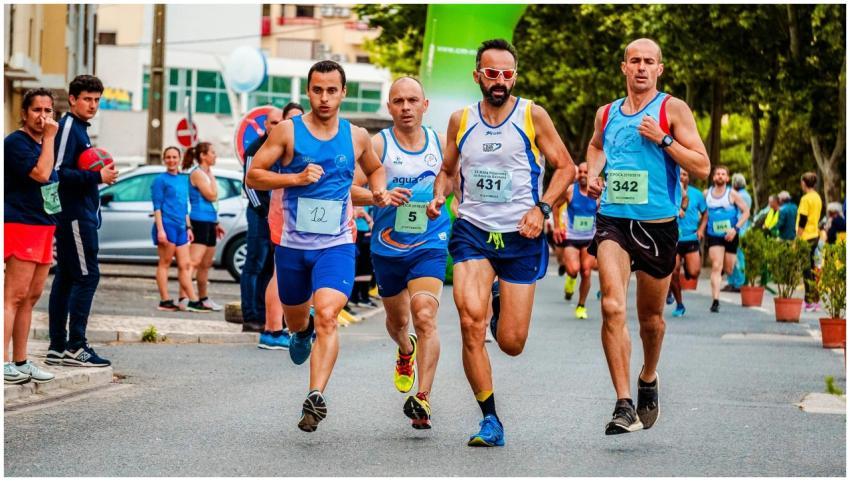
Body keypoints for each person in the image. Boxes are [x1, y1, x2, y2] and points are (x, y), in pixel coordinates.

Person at [427, 39, 575, 447]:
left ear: (515, 77)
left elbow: (565, 168)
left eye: (506, 74)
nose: (499, 81)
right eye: (491, 73)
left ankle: (497, 300)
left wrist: (542, 209)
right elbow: (447, 169)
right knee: (469, 323)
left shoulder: (532, 115)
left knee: (511, 342)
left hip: (522, 235)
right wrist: (440, 194)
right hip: (473, 230)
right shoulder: (461, 120)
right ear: (477, 75)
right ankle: (490, 419)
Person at [247, 60, 390, 433]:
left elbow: (376, 168)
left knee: (327, 314)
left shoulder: (356, 136)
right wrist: (294, 177)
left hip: (337, 245)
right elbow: (253, 175)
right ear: (308, 92)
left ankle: (315, 395)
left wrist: (377, 189)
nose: (324, 97)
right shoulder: (286, 132)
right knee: (300, 319)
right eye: (317, 90)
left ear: (343, 93)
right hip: (292, 246)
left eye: (331, 90)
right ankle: (299, 331)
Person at [586, 38, 710, 435]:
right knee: (611, 306)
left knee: (651, 320)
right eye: (634, 60)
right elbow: (594, 147)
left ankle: (648, 375)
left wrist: (664, 139)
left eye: (649, 61)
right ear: (624, 67)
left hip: (658, 226)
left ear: (660, 69)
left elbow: (703, 166)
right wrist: (592, 174)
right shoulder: (605, 113)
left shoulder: (672, 109)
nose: (641, 67)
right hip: (614, 222)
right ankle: (624, 404)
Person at [353, 76, 451, 429]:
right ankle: (405, 350)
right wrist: (378, 196)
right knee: (398, 323)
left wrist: (441, 197)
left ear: (425, 105)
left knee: (425, 315)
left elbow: (452, 177)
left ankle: (422, 398)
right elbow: (351, 189)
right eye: (398, 101)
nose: (406, 107)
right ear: (389, 107)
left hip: (430, 241)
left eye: (413, 100)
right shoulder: (378, 145)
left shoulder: (440, 142)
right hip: (388, 246)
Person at [47, 75, 118, 368]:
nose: (92, 105)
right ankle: (76, 346)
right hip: (74, 216)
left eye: (97, 100)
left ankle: (57, 347)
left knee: (66, 277)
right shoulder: (67, 128)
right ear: (73, 99)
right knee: (88, 276)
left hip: (81, 214)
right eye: (87, 99)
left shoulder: (80, 130)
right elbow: (57, 172)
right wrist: (97, 176)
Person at [4, 88, 60, 384]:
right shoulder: (15, 143)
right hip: (21, 223)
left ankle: (21, 360)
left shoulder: (45, 145)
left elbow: (52, 182)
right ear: (24, 114)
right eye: (37, 110)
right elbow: (40, 174)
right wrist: (50, 138)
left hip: (43, 225)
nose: (43, 117)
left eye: (48, 111)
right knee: (13, 296)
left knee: (31, 297)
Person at [257, 102, 305, 348]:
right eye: (291, 118)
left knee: (291, 272)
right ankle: (272, 330)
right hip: (283, 211)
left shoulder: (302, 139)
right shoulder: (280, 141)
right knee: (279, 272)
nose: (296, 123)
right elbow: (255, 176)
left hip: (300, 213)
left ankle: (287, 327)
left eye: (300, 118)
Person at [241, 106, 284, 337]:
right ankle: (250, 316)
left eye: (280, 122)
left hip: (275, 216)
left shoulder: (280, 147)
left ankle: (265, 315)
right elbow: (249, 185)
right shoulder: (256, 148)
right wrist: (267, 213)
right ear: (266, 125)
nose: (276, 127)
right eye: (273, 123)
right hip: (260, 214)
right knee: (254, 265)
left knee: (269, 268)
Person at [151, 146, 207, 312]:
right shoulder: (160, 180)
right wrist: (160, 230)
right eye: (168, 157)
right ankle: (165, 300)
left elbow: (184, 206)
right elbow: (157, 207)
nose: (171, 160)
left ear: (179, 159)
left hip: (182, 228)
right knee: (165, 263)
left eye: (175, 157)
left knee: (185, 265)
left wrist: (189, 227)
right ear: (164, 159)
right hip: (166, 226)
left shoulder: (183, 179)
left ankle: (193, 300)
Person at [179, 142, 226, 312]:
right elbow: (212, 195)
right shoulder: (198, 173)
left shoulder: (208, 172)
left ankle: (203, 298)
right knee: (194, 262)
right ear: (203, 156)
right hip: (199, 220)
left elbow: (214, 202)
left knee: (206, 264)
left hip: (210, 221)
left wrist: (216, 222)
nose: (215, 155)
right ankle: (185, 298)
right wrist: (212, 181)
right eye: (212, 152)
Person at [698, 166, 750, 313]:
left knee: (728, 268)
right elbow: (700, 212)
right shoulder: (706, 194)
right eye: (718, 174)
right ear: (713, 178)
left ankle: (719, 277)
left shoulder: (732, 194)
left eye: (723, 174)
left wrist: (736, 229)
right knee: (716, 265)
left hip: (731, 235)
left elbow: (746, 212)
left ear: (727, 178)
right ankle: (715, 300)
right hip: (714, 236)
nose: (720, 176)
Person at [552, 162, 599, 319]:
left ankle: (581, 306)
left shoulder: (597, 192)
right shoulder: (571, 190)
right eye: (581, 172)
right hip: (572, 238)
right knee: (573, 270)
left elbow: (602, 213)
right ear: (577, 174)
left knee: (586, 271)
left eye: (587, 171)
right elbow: (556, 206)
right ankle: (570, 281)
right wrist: (557, 227)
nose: (583, 175)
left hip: (589, 239)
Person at [669, 169, 706, 317]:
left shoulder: (696, 194)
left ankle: (687, 269)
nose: (682, 177)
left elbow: (706, 213)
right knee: (674, 272)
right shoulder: (668, 191)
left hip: (690, 238)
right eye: (680, 174)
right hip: (673, 239)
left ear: (689, 178)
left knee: (694, 273)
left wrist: (701, 229)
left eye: (685, 174)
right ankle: (679, 304)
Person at [796, 172, 822, 311]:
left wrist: (798, 238)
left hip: (806, 236)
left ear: (804, 183)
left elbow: (803, 220)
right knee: (811, 268)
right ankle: (815, 300)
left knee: (806, 269)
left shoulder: (806, 199)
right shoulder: (817, 197)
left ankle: (810, 301)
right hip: (815, 235)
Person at [724, 173, 752, 292]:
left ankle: (736, 283)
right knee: (738, 257)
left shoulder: (737, 195)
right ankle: (735, 282)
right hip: (744, 229)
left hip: (737, 229)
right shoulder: (748, 195)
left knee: (736, 257)